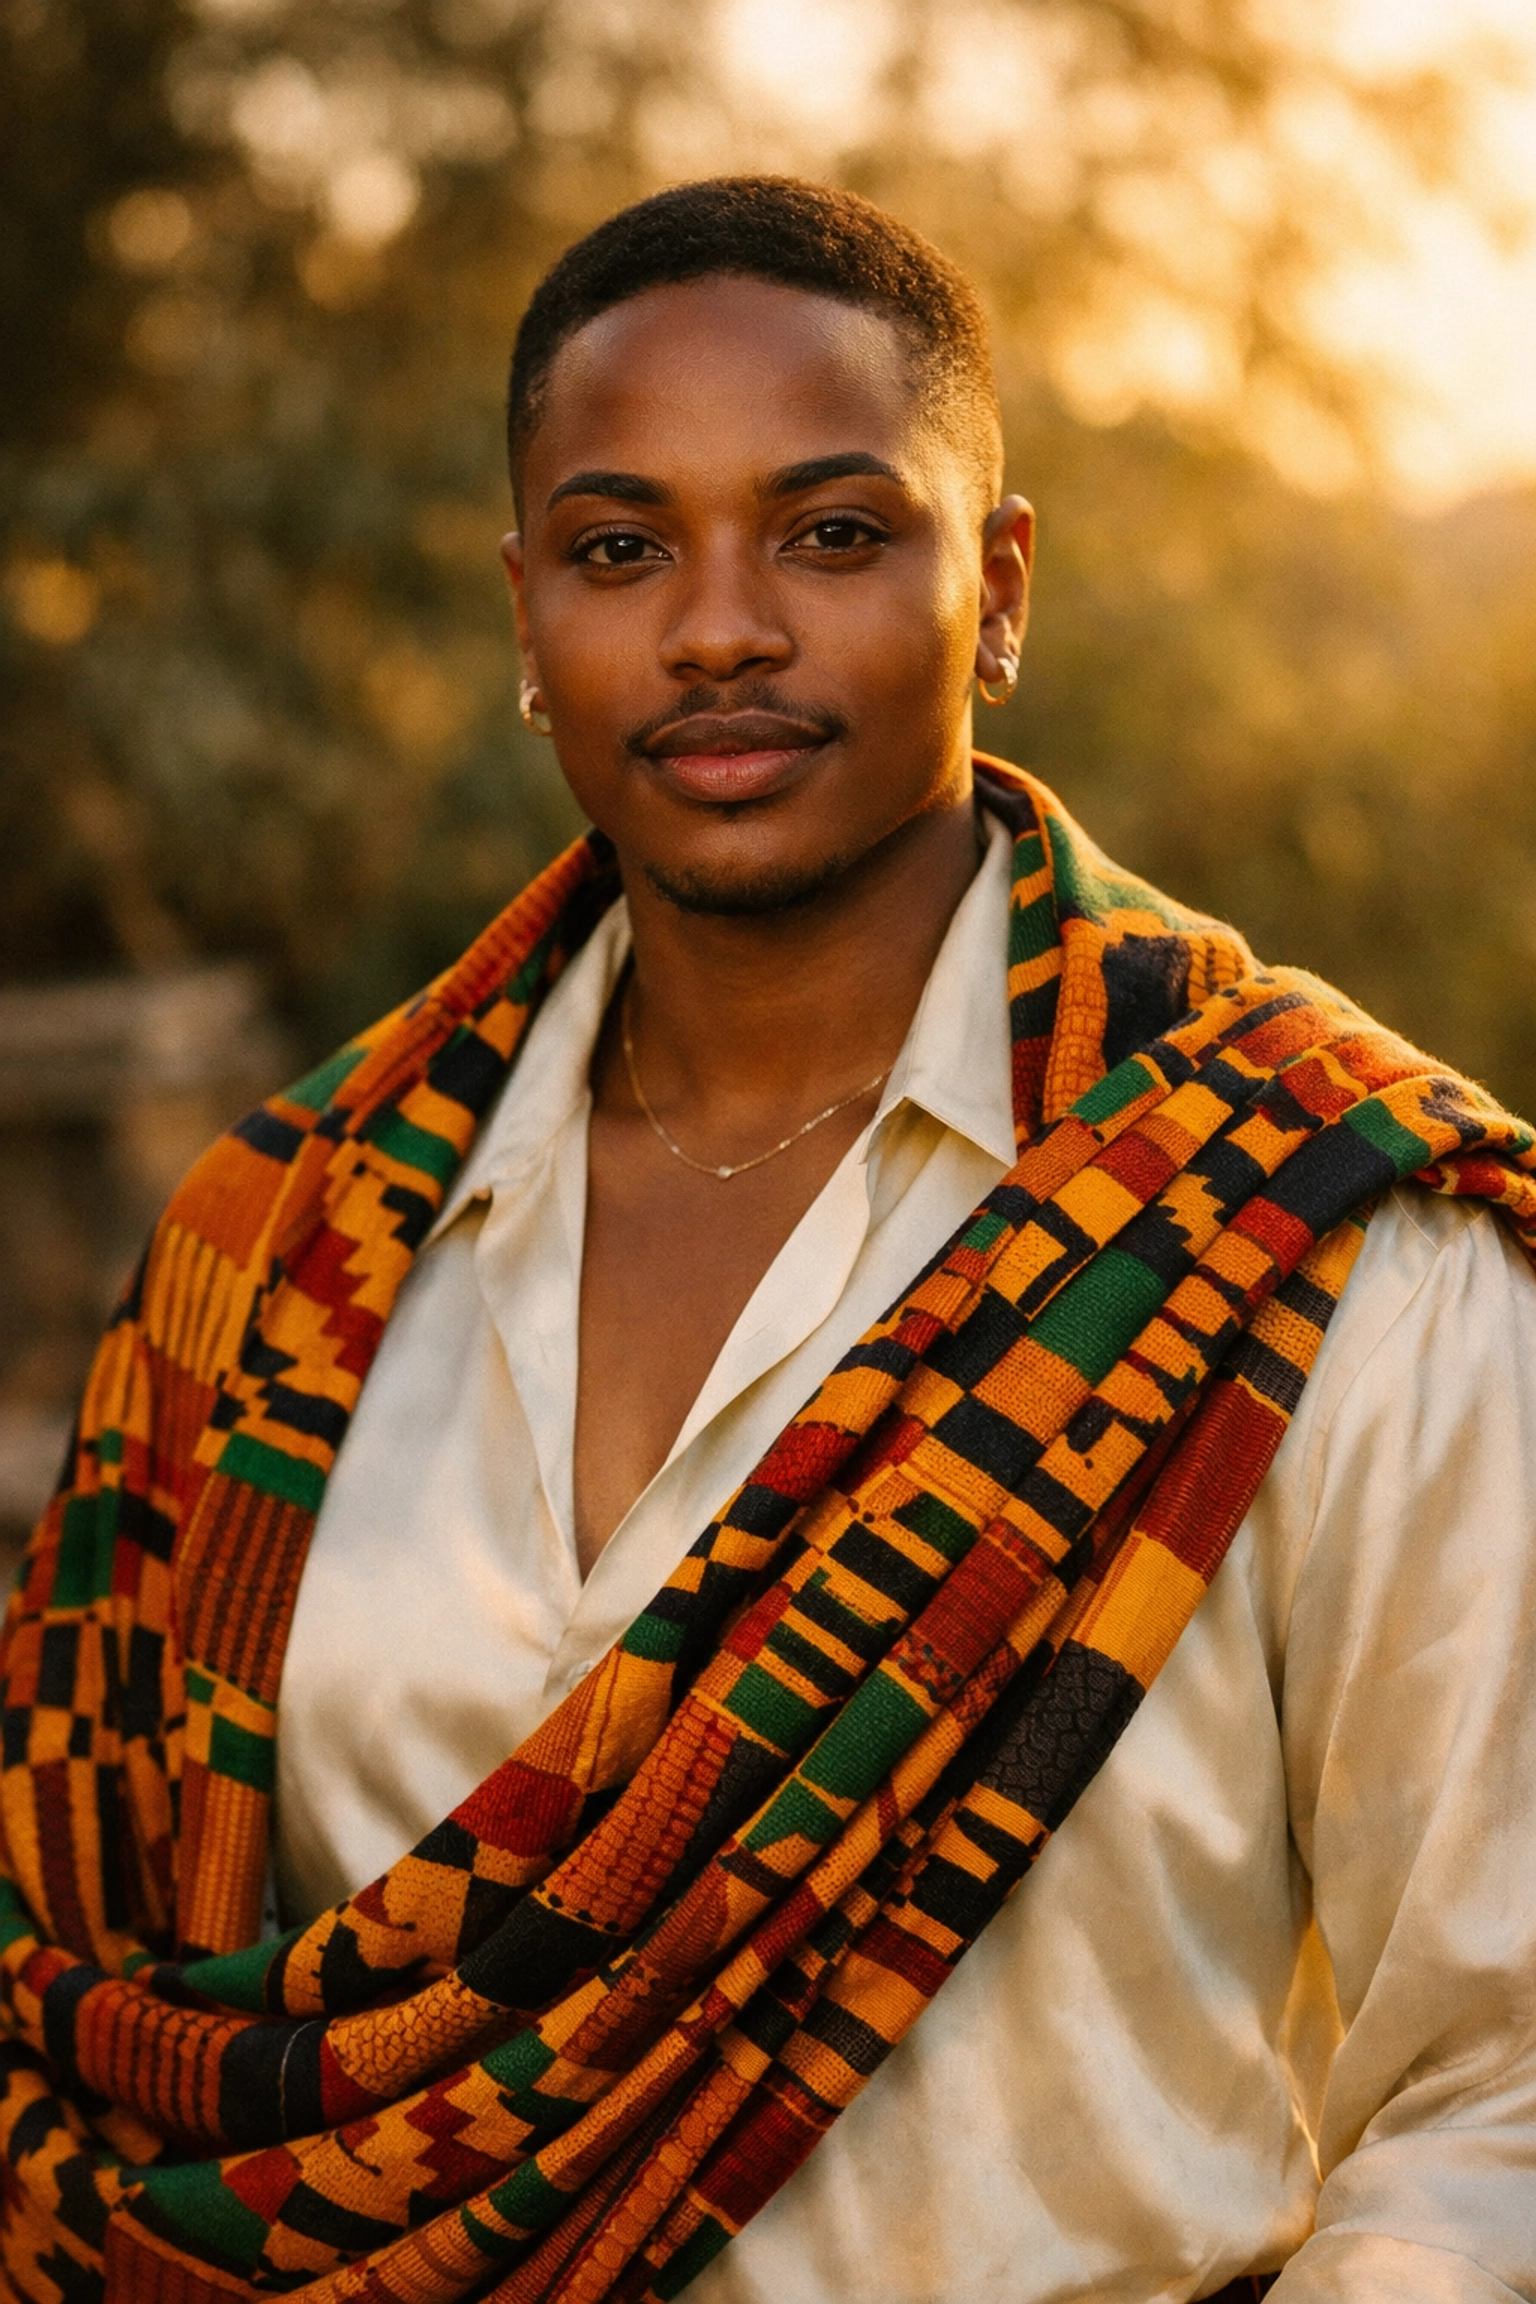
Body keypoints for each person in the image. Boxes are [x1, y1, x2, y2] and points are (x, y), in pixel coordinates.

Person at [0, 177, 1533, 2304]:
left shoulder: (1309, 1231)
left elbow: (1501, 2100)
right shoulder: (271, 1259)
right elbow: (103, 2003)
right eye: (624, 551)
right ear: (529, 613)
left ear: (996, 588)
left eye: (831, 532)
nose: (720, 628)